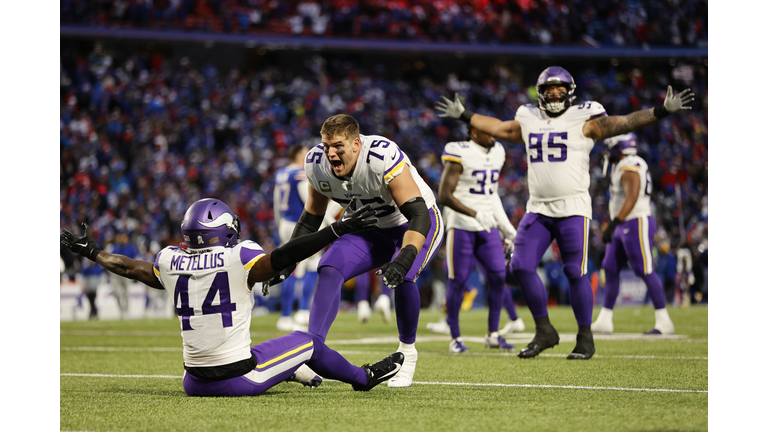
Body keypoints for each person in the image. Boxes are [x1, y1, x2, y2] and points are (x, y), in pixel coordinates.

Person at [436, 66, 694, 359]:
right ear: (541, 93)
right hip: (538, 207)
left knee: (575, 271)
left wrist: (660, 111)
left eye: (560, 90)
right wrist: (465, 115)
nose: (555, 95)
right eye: (549, 90)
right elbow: (500, 128)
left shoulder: (584, 117)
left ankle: (585, 338)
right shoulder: (529, 117)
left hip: (573, 207)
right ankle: (544, 330)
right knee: (520, 266)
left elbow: (623, 122)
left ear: (569, 93)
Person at [61, 198, 404, 397]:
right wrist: (336, 229)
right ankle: (364, 378)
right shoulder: (238, 256)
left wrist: (91, 251)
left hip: (192, 381)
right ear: (225, 231)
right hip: (237, 379)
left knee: (265, 348)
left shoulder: (169, 259)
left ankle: (292, 371)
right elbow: (283, 256)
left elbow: (127, 267)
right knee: (308, 341)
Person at [266, 114, 444, 387]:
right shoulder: (317, 164)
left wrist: (404, 257)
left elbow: (418, 214)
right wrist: (287, 263)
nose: (330, 153)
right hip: (369, 227)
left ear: (356, 145)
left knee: (404, 276)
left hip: (413, 223)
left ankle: (407, 353)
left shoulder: (381, 156)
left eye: (338, 146)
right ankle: (312, 350)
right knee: (330, 265)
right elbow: (311, 218)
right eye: (326, 146)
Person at [435, 125, 521, 353]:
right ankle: (455, 337)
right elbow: (444, 195)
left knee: (498, 275)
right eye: (488, 131)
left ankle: (493, 334)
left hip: (486, 225)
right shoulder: (458, 150)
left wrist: (506, 227)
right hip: (461, 225)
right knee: (458, 280)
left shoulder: (498, 152)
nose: (494, 134)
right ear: (473, 132)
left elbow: (490, 194)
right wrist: (475, 214)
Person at [591, 133, 675, 335]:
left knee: (644, 269)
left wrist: (614, 223)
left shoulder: (630, 163)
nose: (607, 152)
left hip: (635, 221)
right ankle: (605, 320)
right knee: (610, 268)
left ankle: (664, 321)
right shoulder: (621, 165)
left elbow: (632, 195)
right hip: (622, 223)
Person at [273, 145, 319, 332]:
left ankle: (297, 312)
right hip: (299, 225)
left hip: (285, 223)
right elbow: (308, 199)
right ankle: (291, 313)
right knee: (301, 267)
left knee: (306, 264)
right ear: (299, 154)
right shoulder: (300, 173)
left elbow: (277, 203)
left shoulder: (281, 173)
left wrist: (279, 225)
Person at [107, 232, 139, 318]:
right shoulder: (115, 248)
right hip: (116, 273)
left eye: (123, 238)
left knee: (126, 292)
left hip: (127, 272)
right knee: (116, 292)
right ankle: (121, 311)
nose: (121, 240)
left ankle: (127, 311)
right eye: (120, 238)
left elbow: (136, 260)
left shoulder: (131, 247)